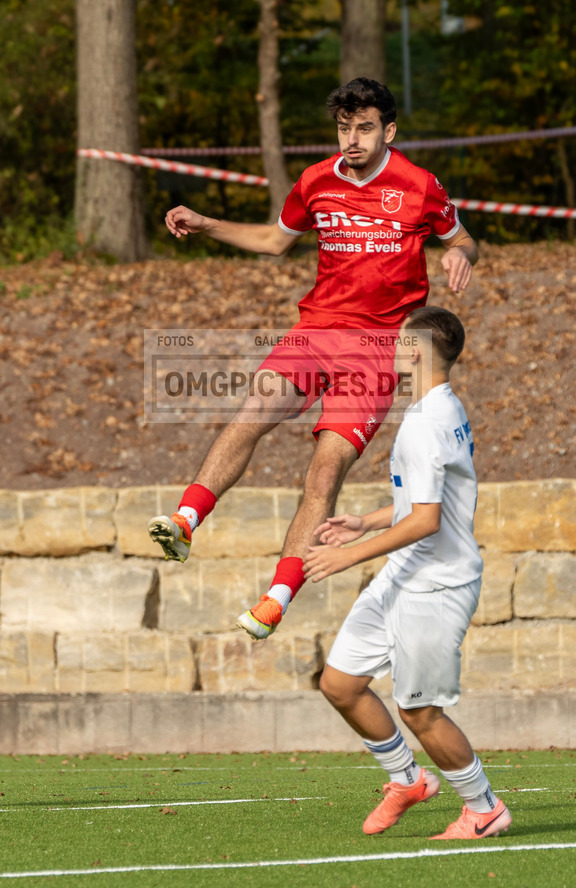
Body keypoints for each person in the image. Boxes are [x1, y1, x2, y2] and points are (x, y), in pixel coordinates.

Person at [147, 77, 479, 641]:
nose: (352, 139)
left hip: (377, 352)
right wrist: (207, 224)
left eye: (365, 128)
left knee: (324, 472)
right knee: (255, 408)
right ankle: (185, 521)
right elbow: (275, 241)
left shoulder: (419, 186)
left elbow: (463, 238)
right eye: (344, 128)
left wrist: (459, 256)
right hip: (316, 329)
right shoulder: (316, 181)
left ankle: (277, 596)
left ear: (389, 131)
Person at [303, 306, 511, 840]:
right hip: (404, 575)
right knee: (341, 683)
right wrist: (364, 521)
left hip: (437, 586)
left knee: (420, 712)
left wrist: (350, 555)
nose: (391, 349)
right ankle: (408, 778)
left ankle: (484, 808)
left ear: (416, 353)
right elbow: (422, 500)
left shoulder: (425, 424)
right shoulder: (437, 408)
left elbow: (427, 519)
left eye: (399, 342)